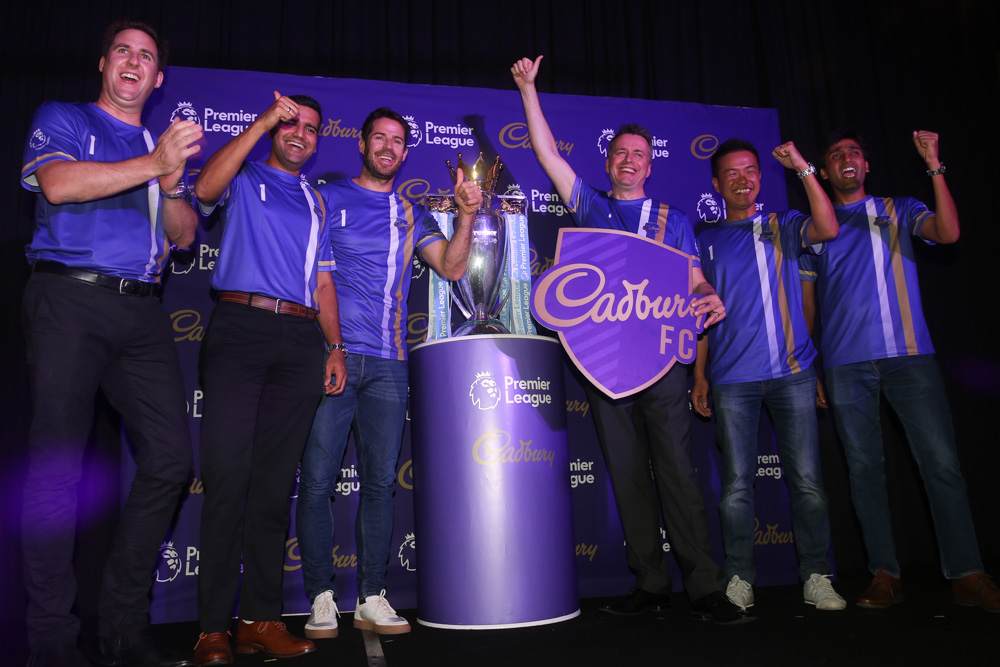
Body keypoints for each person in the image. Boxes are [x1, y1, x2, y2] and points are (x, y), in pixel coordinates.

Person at [511, 55, 742, 624]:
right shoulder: (591, 205)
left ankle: (704, 585)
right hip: (604, 363)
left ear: (650, 165)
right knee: (627, 475)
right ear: (609, 161)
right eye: (621, 153)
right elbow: (546, 155)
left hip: (663, 363)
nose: (630, 161)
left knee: (678, 474)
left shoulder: (672, 218)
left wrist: (707, 294)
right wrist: (528, 88)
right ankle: (651, 581)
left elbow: (693, 279)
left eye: (640, 154)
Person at [19, 19, 202, 667]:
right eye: (122, 50)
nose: (132, 60)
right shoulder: (64, 116)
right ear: (103, 64)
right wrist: (155, 164)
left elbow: (182, 235)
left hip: (141, 312)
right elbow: (58, 185)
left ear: (157, 80)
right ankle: (53, 642)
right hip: (68, 298)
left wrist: (173, 179)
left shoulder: (160, 147)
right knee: (56, 468)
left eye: (146, 55)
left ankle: (122, 628)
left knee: (171, 459)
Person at [296, 107, 482, 638]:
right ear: (361, 144)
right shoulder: (328, 197)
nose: (387, 147)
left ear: (405, 153)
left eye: (397, 141)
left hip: (388, 365)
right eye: (378, 138)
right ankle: (320, 596)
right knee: (316, 482)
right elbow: (309, 272)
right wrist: (330, 345)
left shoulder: (411, 212)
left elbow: (450, 267)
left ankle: (372, 595)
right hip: (332, 355)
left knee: (379, 484)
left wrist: (466, 217)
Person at [798, 129, 999, 612]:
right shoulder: (815, 228)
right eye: (836, 154)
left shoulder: (899, 208)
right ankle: (884, 572)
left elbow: (948, 234)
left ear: (865, 166)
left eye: (855, 152)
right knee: (865, 471)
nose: (847, 157)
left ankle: (967, 572)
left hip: (910, 358)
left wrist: (933, 163)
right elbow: (807, 308)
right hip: (846, 366)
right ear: (823, 171)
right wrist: (813, 368)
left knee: (941, 465)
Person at [191, 91, 348, 665]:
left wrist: (335, 347)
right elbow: (203, 190)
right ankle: (211, 629)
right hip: (239, 328)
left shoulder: (316, 200)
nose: (299, 133)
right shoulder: (245, 171)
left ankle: (261, 618)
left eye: (310, 127)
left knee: (273, 487)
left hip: (299, 340)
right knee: (228, 479)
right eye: (291, 123)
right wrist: (260, 121)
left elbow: (324, 283)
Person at [691, 138, 846, 613]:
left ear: (761, 177)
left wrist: (802, 166)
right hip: (732, 379)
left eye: (750, 171)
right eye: (731, 173)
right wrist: (700, 376)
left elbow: (829, 226)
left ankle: (816, 576)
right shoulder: (705, 238)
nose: (742, 179)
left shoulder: (786, 224)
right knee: (737, 485)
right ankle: (739, 577)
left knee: (806, 481)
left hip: (793, 374)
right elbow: (697, 312)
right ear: (716, 185)